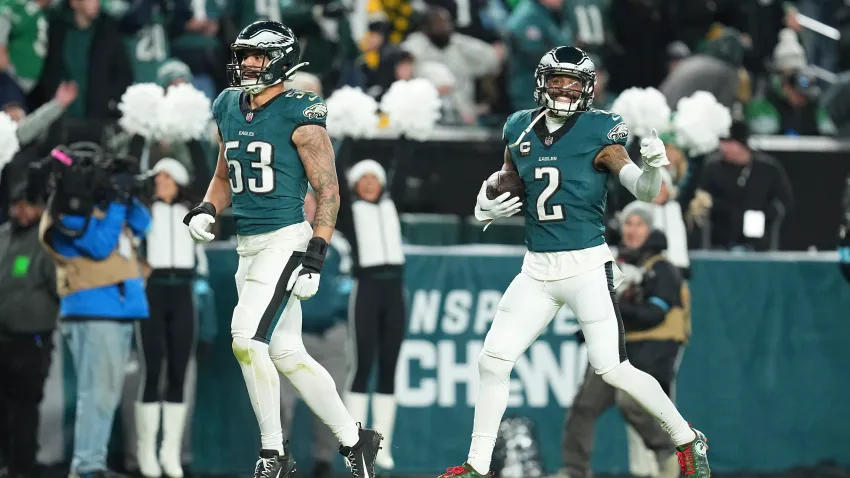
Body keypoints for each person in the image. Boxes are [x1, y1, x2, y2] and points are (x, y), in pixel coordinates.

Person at [437, 46, 710, 478]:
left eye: (572, 81)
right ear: (541, 81)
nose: (563, 89)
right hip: (536, 269)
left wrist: (654, 171)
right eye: (557, 79)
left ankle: (687, 439)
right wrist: (484, 204)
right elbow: (503, 183)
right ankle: (477, 465)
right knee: (492, 361)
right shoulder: (518, 128)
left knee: (613, 369)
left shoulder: (600, 131)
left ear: (588, 88)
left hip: (585, 266)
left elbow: (641, 189)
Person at [182, 20, 382, 478]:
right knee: (287, 351)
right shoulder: (229, 104)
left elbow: (328, 193)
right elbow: (223, 175)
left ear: (284, 60)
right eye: (244, 55)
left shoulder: (301, 110)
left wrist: (315, 254)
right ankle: (356, 440)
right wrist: (207, 209)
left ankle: (274, 452)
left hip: (285, 240)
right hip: (248, 246)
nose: (249, 64)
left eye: (259, 56)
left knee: (246, 339)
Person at [38, 144, 151, 478]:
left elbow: (144, 225)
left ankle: (92, 463)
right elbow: (100, 247)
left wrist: (125, 192)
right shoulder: (66, 207)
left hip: (116, 309)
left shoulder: (104, 205)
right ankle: (87, 467)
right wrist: (115, 201)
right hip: (94, 311)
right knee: (97, 394)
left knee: (106, 394)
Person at [556, 205, 691, 478]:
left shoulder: (663, 269)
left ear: (650, 230)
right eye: (628, 224)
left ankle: (668, 453)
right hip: (618, 347)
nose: (632, 230)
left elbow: (653, 315)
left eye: (639, 224)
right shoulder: (618, 265)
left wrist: (613, 305)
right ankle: (574, 470)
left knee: (632, 404)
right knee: (584, 406)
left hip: (652, 348)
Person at [135, 159, 207, 478]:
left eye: (167, 176)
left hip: (183, 294)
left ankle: (170, 452)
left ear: (178, 181)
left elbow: (206, 175)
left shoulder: (190, 212)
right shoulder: (144, 211)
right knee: (153, 369)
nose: (160, 181)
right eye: (157, 176)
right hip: (153, 291)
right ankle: (146, 451)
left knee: (178, 370)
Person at [337, 159, 405, 472]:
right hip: (366, 289)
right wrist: (349, 136)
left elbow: (403, 164)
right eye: (361, 178)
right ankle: (356, 445)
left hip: (394, 292)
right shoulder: (350, 213)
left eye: (373, 178)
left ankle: (385, 446)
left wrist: (406, 132)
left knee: (390, 367)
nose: (368, 183)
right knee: (363, 364)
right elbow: (335, 175)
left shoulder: (392, 205)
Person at [280, 189, 352, 478]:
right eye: (304, 203)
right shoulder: (284, 240)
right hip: (292, 334)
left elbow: (348, 282)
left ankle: (324, 461)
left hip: (330, 334)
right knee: (281, 405)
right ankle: (277, 460)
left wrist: (337, 310)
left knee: (329, 401)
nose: (308, 208)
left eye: (313, 203)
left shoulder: (339, 243)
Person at [0, 181, 57, 478]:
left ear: (39, 207)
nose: (20, 210)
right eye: (15, 204)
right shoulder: (4, 236)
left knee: (24, 407)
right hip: (3, 340)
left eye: (26, 204)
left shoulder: (47, 240)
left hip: (31, 339)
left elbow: (58, 286)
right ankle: (7, 463)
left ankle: (23, 466)